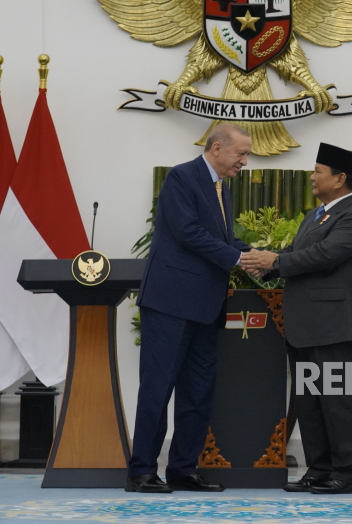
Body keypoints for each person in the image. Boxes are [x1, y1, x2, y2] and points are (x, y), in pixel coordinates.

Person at [127, 123, 259, 493]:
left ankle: (183, 469)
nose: (244, 162)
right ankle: (141, 471)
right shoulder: (181, 178)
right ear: (217, 148)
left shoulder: (222, 188)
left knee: (198, 393)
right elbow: (187, 232)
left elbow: (222, 238)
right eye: (241, 154)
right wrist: (237, 258)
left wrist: (260, 256)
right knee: (158, 388)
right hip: (171, 303)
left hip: (205, 306)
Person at [241, 143, 352, 494]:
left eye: (318, 171)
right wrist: (262, 261)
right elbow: (296, 252)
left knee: (341, 402)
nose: (312, 177)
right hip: (308, 327)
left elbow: (324, 255)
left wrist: (276, 262)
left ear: (340, 178)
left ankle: (346, 475)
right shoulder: (314, 215)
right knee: (311, 403)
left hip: (338, 327)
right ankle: (319, 469)